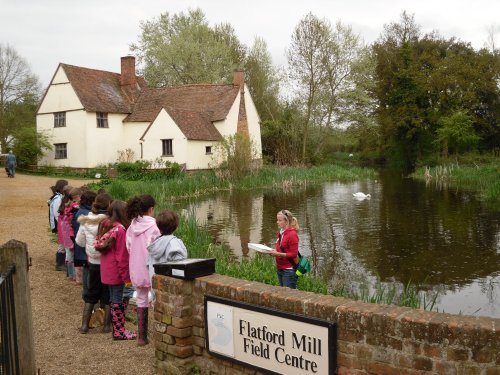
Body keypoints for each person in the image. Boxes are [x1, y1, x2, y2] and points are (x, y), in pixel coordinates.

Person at [75, 192, 113, 334]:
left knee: (91, 292)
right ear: (109, 205)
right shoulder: (111, 221)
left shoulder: (86, 220)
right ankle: (106, 326)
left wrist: (89, 247)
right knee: (108, 293)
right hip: (107, 261)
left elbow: (79, 241)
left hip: (92, 262)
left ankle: (84, 325)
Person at [99, 200, 136, 340]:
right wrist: (126, 276)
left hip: (107, 269)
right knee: (117, 300)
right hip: (116, 271)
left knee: (113, 298)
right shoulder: (120, 230)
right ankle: (119, 331)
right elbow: (122, 256)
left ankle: (118, 329)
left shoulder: (106, 225)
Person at [126, 195, 160, 346]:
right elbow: (158, 248)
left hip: (136, 268)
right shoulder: (155, 226)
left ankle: (141, 337)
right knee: (158, 299)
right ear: (151, 209)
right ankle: (162, 335)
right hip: (152, 269)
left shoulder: (131, 227)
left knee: (141, 299)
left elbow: (128, 247)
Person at [268, 209, 300, 289]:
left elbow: (293, 254)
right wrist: (270, 251)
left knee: (288, 296)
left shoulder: (292, 234)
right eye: (277, 220)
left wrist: (277, 254)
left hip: (289, 271)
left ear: (286, 221)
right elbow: (281, 249)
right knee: (283, 294)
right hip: (280, 268)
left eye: (279, 220)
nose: (277, 222)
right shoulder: (281, 232)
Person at [48, 179, 68, 271]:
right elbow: (57, 214)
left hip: (61, 223)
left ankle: (61, 262)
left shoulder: (59, 197)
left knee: (62, 243)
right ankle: (60, 264)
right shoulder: (57, 198)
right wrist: (62, 224)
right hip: (60, 223)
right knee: (62, 244)